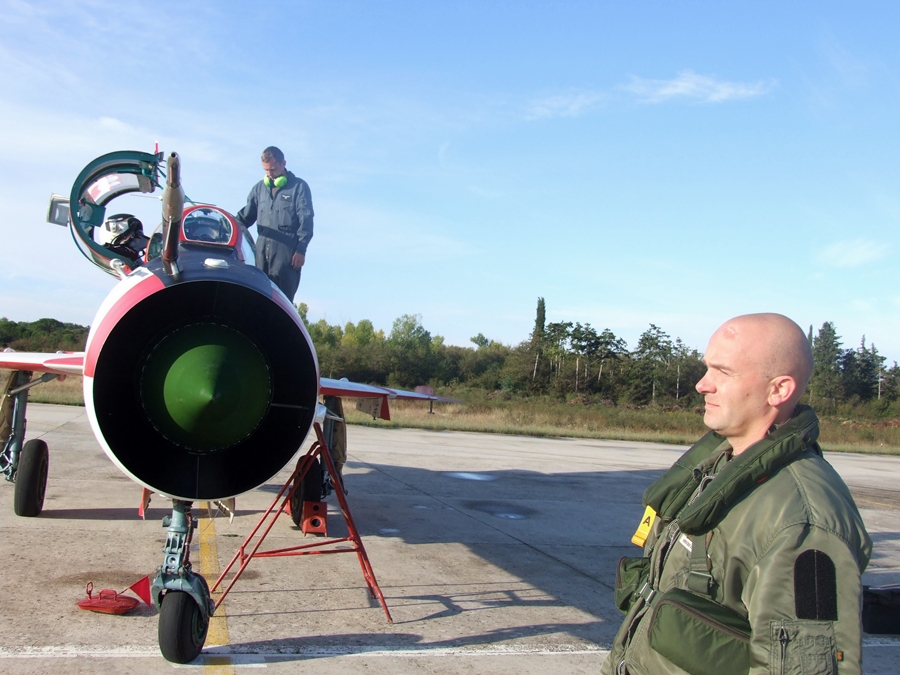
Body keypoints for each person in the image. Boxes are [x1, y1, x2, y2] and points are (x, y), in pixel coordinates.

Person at [602, 313, 872, 675]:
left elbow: (802, 665)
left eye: (723, 372)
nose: (702, 384)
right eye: (707, 368)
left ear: (779, 390)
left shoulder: (803, 520)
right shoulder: (719, 468)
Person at [235, 146, 314, 300]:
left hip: (287, 255)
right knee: (257, 298)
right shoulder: (259, 189)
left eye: (272, 169)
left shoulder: (299, 187)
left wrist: (301, 250)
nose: (269, 174)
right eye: (266, 170)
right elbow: (244, 218)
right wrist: (228, 224)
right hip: (261, 253)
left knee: (281, 299)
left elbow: (306, 219)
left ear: (283, 163)